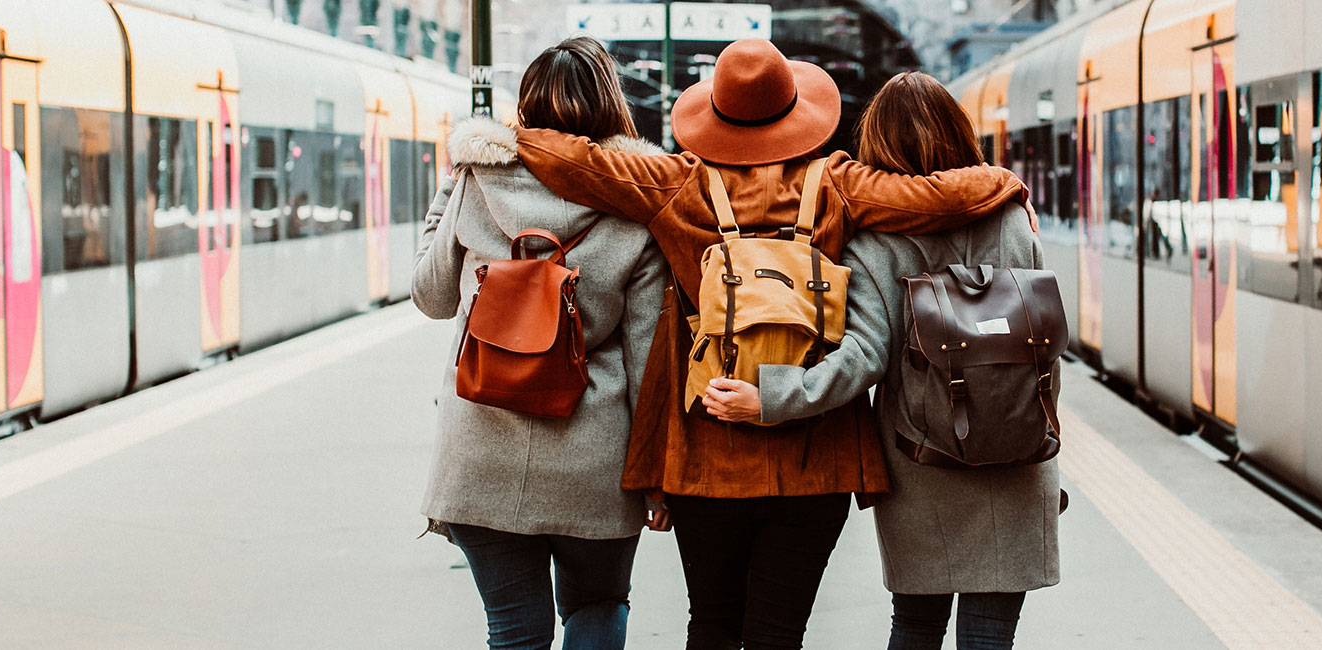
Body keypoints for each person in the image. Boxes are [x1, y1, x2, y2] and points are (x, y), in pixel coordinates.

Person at [506, 40, 1031, 650]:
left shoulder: (677, 183)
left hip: (709, 445)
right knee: (779, 632)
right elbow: (934, 196)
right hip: (817, 454)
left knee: (712, 623)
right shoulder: (837, 182)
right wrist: (1002, 182)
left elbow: (571, 161)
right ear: (795, 110)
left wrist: (502, 139)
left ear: (714, 114)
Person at [699, 71, 1061, 650]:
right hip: (1017, 447)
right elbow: (1040, 336)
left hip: (925, 458)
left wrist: (772, 399)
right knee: (991, 632)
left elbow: (863, 358)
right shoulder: (1014, 216)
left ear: (878, 149)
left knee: (916, 625)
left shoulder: (875, 241)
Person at [412, 37, 668, 650]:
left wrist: (452, 191)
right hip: (595, 458)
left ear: (525, 106)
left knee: (514, 630)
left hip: (480, 449)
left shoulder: (480, 181)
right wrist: (653, 474)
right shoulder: (636, 201)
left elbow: (431, 295)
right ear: (611, 106)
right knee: (598, 605)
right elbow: (646, 357)